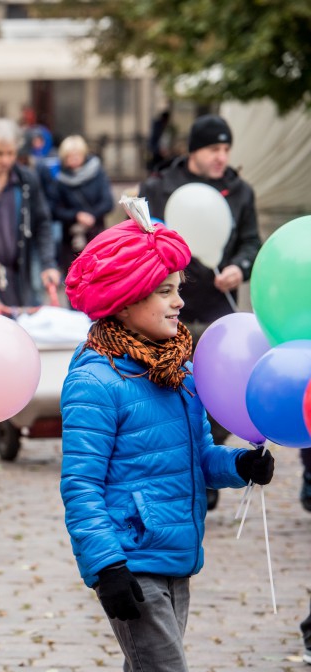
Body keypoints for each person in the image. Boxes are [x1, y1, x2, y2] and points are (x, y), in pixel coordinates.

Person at [60, 204, 275, 672]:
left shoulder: (181, 369)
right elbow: (80, 486)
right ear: (125, 299)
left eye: (179, 289)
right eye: (163, 291)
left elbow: (199, 458)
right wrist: (106, 565)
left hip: (177, 554)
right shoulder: (96, 381)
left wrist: (239, 466)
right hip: (131, 562)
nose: (179, 302)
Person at [140, 114, 262, 509]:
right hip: (164, 308)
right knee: (168, 392)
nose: (221, 157)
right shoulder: (159, 187)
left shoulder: (240, 191)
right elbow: (143, 235)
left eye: (226, 149)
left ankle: (204, 463)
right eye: (214, 149)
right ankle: (179, 471)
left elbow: (250, 242)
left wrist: (238, 268)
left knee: (223, 392)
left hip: (217, 311)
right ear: (194, 150)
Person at [0, 118, 60, 308]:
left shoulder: (26, 180)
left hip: (16, 275)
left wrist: (48, 264)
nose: (6, 160)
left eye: (11, 153)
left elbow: (42, 223)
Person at [52, 135, 114, 270]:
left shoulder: (97, 173)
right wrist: (76, 215)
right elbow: (55, 210)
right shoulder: (60, 180)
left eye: (77, 155)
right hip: (71, 242)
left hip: (96, 236)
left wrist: (92, 216)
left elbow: (108, 202)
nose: (73, 159)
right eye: (69, 156)